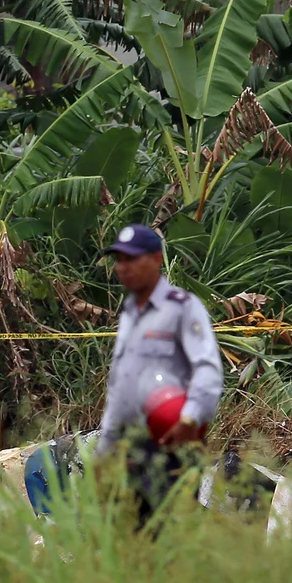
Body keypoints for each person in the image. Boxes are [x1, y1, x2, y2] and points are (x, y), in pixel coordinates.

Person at [96, 224, 224, 522]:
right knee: (126, 537)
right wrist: (106, 449)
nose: (122, 268)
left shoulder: (183, 308)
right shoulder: (129, 313)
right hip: (129, 448)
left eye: (131, 259)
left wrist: (189, 419)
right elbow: (121, 388)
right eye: (119, 260)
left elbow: (207, 369)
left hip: (171, 441)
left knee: (167, 533)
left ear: (156, 259)